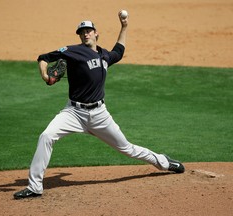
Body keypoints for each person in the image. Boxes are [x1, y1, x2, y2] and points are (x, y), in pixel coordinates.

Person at [13, 11, 185, 200]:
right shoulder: (72, 51)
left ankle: (164, 162)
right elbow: (43, 57)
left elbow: (118, 51)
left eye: (89, 30)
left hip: (99, 114)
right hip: (74, 113)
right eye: (82, 31)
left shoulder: (104, 55)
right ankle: (35, 186)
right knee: (46, 136)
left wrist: (124, 26)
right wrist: (45, 75)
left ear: (96, 34)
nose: (85, 34)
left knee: (127, 148)